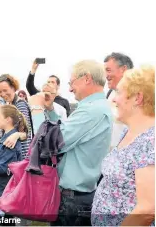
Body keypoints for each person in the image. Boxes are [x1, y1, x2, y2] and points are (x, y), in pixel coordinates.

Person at [30, 60, 113, 226]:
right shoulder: (95, 107)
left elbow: (50, 143)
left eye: (72, 82)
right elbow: (66, 133)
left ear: (87, 79)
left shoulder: (91, 110)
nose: (69, 88)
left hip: (73, 200)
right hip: (77, 197)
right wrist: (51, 111)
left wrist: (36, 109)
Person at [92, 65, 155, 226]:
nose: (114, 99)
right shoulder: (127, 132)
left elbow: (147, 210)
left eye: (119, 92)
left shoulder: (150, 141)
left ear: (137, 98)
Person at [0, 74, 33, 158]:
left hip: (22, 154)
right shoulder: (8, 104)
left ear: (13, 88)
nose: (3, 94)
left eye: (5, 90)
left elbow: (26, 133)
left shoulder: (20, 105)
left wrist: (16, 135)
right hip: (12, 152)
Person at [104, 52, 134, 151]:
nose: (106, 75)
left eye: (108, 70)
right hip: (110, 157)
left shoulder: (138, 95)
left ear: (123, 70)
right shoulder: (109, 94)